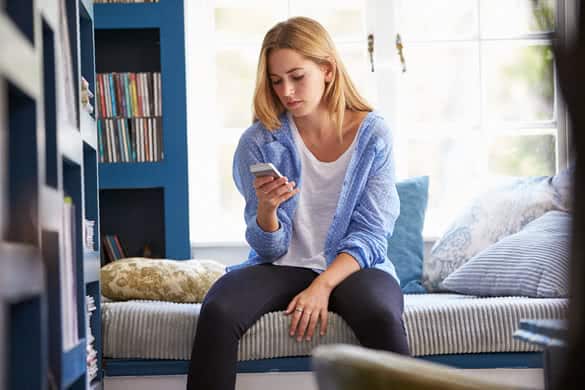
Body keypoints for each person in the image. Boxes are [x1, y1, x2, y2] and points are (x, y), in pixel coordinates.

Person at [187, 16, 409, 390]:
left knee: (381, 314)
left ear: (327, 70)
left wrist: (322, 286)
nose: (286, 91)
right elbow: (268, 247)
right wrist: (267, 212)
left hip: (352, 268)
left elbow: (372, 235)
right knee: (218, 308)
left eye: (296, 76)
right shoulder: (259, 142)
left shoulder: (373, 135)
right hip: (282, 266)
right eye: (276, 81)